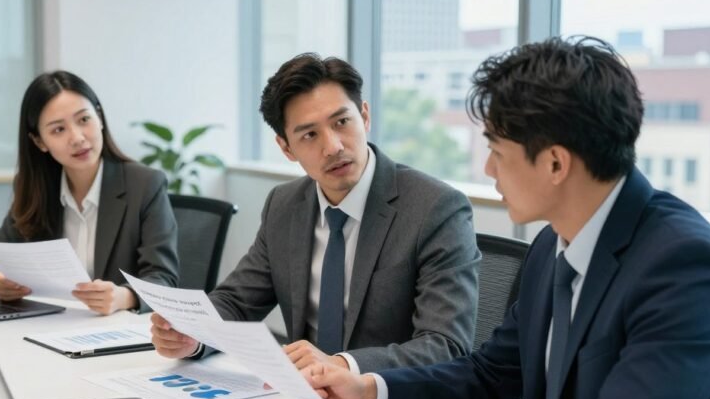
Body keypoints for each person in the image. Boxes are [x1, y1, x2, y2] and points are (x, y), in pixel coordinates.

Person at [298, 37, 710, 399]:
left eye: (497, 152)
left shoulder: (683, 266)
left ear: (554, 163)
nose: (488, 170)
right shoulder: (553, 245)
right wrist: (371, 388)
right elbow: (491, 376)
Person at [151, 53, 480, 373]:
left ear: (364, 117)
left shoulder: (434, 208)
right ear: (286, 147)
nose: (333, 146)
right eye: (310, 134)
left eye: (342, 122)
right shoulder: (285, 205)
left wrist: (342, 366)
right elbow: (237, 302)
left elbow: (445, 345)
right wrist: (193, 334)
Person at [0, 71, 179, 314]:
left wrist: (124, 297)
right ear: (40, 142)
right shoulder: (36, 188)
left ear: (100, 118)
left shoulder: (145, 184)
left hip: (117, 333)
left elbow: (163, 278)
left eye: (84, 120)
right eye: (58, 130)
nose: (77, 138)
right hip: (51, 328)